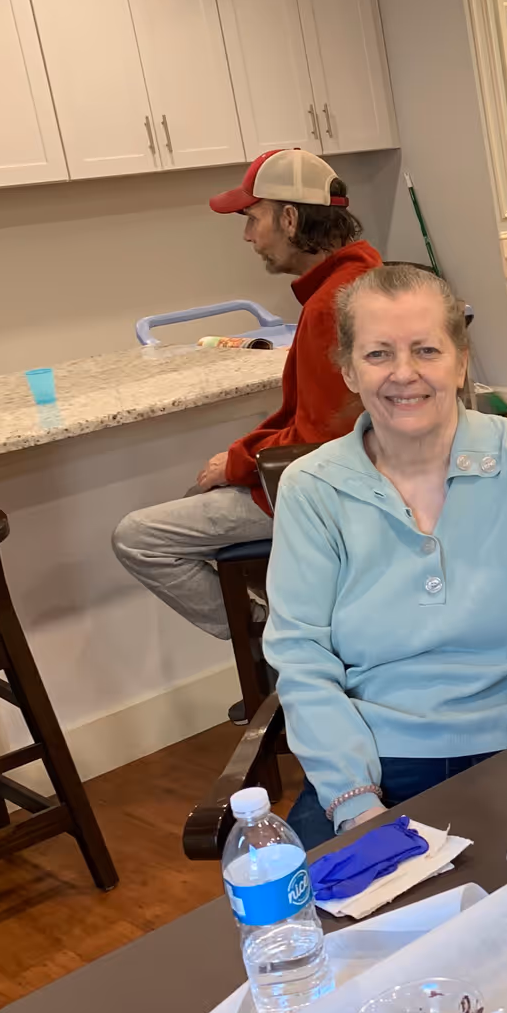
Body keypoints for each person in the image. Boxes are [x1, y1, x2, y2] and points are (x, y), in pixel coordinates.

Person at [264, 264, 507, 847]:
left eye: (426, 350)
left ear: (460, 361)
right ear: (349, 369)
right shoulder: (312, 488)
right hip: (381, 761)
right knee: (314, 926)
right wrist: (354, 799)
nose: (404, 374)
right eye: (379, 354)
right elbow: (301, 659)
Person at [111, 149, 380, 664]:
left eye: (252, 218)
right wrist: (242, 454)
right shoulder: (364, 277)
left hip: (328, 494)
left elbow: (320, 441)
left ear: (290, 218)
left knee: (138, 537)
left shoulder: (330, 306)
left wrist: (237, 462)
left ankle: (268, 648)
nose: (248, 235)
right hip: (353, 481)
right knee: (202, 492)